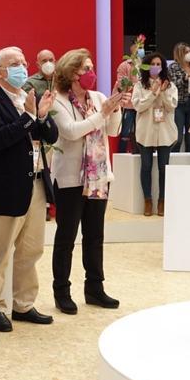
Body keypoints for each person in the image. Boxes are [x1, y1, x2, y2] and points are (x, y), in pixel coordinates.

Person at [0, 47, 58, 332]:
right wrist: (29, 118)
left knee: (31, 249)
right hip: (6, 188)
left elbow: (52, 135)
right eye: (14, 64)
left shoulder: (30, 98)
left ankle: (23, 304)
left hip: (35, 183)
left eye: (23, 63)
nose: (22, 68)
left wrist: (44, 117)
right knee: (0, 253)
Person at [50, 48, 125, 314]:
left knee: (95, 236)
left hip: (99, 177)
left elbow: (113, 130)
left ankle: (95, 288)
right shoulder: (57, 101)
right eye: (84, 68)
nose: (90, 73)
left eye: (91, 67)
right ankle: (62, 291)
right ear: (70, 73)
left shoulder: (98, 97)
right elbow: (70, 132)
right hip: (70, 179)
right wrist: (102, 114)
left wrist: (114, 109)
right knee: (66, 237)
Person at [133, 52, 177, 216]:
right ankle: (147, 200)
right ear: (146, 66)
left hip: (165, 133)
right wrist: (153, 93)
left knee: (164, 169)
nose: (156, 67)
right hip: (146, 132)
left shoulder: (170, 85)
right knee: (146, 167)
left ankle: (162, 202)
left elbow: (172, 106)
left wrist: (163, 92)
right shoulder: (140, 85)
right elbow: (138, 106)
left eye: (159, 64)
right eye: (153, 64)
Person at [114, 39, 141, 154]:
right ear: (132, 49)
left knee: (141, 133)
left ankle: (139, 154)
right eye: (138, 47)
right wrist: (137, 86)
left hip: (142, 105)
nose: (140, 50)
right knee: (125, 132)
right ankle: (121, 156)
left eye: (142, 48)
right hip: (128, 104)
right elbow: (122, 84)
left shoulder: (145, 66)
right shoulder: (124, 65)